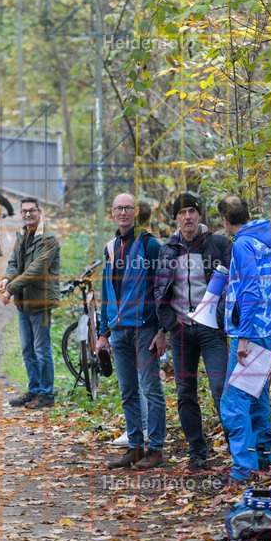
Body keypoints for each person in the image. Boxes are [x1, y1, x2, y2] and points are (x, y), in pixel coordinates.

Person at [155, 192, 232, 472]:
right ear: (175, 218)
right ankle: (197, 452)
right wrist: (169, 325)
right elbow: (160, 290)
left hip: (212, 331)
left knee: (221, 389)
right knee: (186, 393)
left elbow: (232, 288)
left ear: (199, 215)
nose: (187, 216)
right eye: (181, 212)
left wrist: (221, 318)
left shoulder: (219, 244)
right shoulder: (168, 249)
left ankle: (237, 452)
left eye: (191, 211)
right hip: (181, 331)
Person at [217, 195, 271, 485]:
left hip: (249, 335)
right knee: (257, 394)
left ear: (225, 220)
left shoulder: (242, 245)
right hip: (268, 331)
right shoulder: (264, 240)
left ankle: (242, 470)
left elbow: (248, 292)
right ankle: (263, 458)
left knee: (234, 402)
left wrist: (244, 337)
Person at [96, 193, 167, 471]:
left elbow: (164, 287)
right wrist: (103, 333)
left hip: (145, 329)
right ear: (112, 212)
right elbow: (106, 291)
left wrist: (162, 329)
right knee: (127, 391)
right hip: (119, 332)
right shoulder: (110, 247)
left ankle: (156, 449)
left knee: (151, 389)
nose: (123, 213)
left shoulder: (149, 245)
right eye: (119, 208)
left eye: (128, 208)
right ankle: (135, 448)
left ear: (135, 212)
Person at [0, 198, 60, 410]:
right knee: (27, 350)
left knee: (41, 349)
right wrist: (7, 278)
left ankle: (47, 395)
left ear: (39, 212)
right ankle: (34, 390)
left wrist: (11, 289)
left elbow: (36, 271)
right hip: (23, 302)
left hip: (40, 301)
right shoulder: (22, 234)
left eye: (31, 211)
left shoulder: (49, 239)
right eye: (24, 211)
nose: (27, 215)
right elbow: (15, 262)